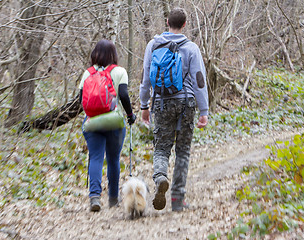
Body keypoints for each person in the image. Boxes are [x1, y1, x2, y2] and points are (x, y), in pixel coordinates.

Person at [139, 8, 209, 212]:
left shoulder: (153, 45)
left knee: (161, 148)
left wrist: (144, 106)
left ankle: (160, 176)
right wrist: (203, 110)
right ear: (185, 24)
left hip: (161, 103)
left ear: (167, 22)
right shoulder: (191, 48)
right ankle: (178, 199)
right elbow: (199, 81)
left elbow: (145, 79)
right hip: (186, 103)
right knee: (183, 151)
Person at [79, 39, 136, 212]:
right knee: (113, 159)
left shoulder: (87, 73)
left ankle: (94, 197)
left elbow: (81, 98)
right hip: (114, 121)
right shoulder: (119, 71)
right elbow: (124, 95)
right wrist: (130, 115)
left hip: (92, 121)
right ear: (114, 54)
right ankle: (112, 198)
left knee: (96, 157)